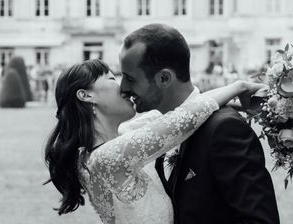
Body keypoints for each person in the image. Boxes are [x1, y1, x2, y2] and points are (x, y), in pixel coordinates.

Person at [44, 58, 266, 224]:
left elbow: (185, 107)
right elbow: (184, 118)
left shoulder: (118, 138)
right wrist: (239, 87)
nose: (122, 86)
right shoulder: (106, 157)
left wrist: (233, 101)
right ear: (86, 95)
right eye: (112, 78)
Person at [119, 24, 279, 224]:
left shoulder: (225, 129)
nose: (123, 88)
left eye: (130, 79)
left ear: (164, 78)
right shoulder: (158, 131)